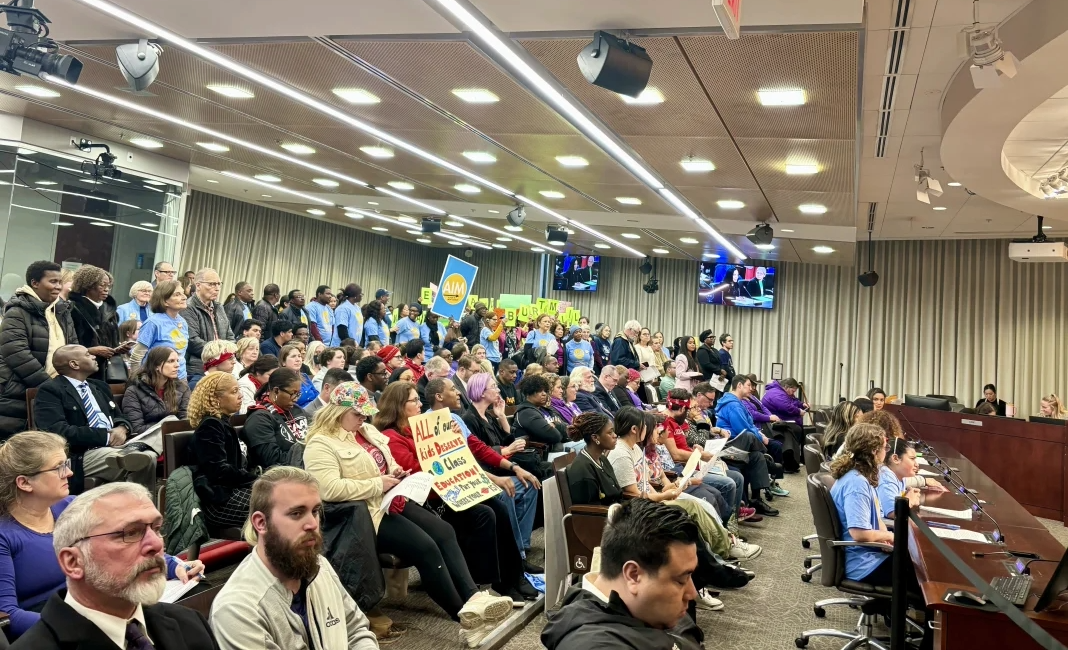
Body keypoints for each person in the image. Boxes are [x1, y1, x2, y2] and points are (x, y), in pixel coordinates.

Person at [302, 382, 514, 647]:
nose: (363, 418)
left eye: (365, 413)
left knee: (444, 532)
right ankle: (465, 619)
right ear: (336, 412)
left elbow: (387, 461)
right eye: (357, 414)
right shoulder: (320, 444)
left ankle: (474, 599)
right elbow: (329, 489)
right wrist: (379, 483)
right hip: (362, 514)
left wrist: (396, 472)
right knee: (424, 547)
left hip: (392, 500)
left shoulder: (367, 431)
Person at [0, 431, 203, 639]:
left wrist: (175, 565)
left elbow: (127, 542)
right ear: (24, 482)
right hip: (57, 631)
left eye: (67, 463)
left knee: (188, 615)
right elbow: (8, 619)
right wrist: (91, 624)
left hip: (101, 607)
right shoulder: (4, 536)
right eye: (58, 467)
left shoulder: (71, 506)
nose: (69, 473)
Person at [377, 382, 538, 603]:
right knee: (485, 514)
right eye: (413, 401)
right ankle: (486, 584)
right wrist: (446, 447)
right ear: (398, 405)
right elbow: (415, 472)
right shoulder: (392, 436)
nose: (418, 404)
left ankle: (513, 575)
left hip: (450, 490)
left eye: (417, 399)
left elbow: (471, 449)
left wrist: (452, 442)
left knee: (498, 507)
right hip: (428, 501)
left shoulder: (422, 425)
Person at [10, 482, 218, 650]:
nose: (156, 544)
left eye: (156, 528)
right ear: (73, 562)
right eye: (130, 533)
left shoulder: (190, 624)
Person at [210, 466, 378, 650]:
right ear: (261, 523)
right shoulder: (238, 611)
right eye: (296, 513)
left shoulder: (320, 567)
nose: (313, 524)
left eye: (315, 511)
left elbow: (357, 631)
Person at [541, 499, 704, 650]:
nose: (692, 593)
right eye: (681, 580)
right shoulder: (596, 645)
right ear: (633, 575)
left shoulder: (649, 607)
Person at [830, 424, 933, 650]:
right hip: (863, 563)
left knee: (920, 567)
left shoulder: (858, 476)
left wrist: (887, 537)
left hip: (868, 555)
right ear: (874, 451)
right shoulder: (857, 483)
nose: (886, 452)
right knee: (930, 584)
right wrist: (890, 537)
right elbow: (858, 533)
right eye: (884, 448)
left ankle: (888, 607)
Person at [424, 377, 542, 574]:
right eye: (453, 389)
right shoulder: (428, 425)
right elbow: (458, 463)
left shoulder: (457, 418)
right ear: (439, 396)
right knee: (504, 493)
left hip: (479, 473)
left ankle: (520, 550)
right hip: (457, 483)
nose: (458, 393)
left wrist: (514, 467)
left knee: (528, 483)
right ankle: (514, 559)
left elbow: (480, 448)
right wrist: (495, 478)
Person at [33, 345, 157, 494]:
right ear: (74, 364)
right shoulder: (50, 390)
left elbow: (121, 417)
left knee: (165, 427)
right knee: (143, 459)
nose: (93, 356)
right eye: (87, 355)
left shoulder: (100, 387)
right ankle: (140, 505)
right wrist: (106, 437)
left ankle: (138, 498)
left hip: (119, 444)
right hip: (83, 453)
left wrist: (122, 428)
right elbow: (57, 432)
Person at [0, 261, 78, 437]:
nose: (58, 287)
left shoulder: (62, 311)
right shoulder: (17, 312)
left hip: (54, 392)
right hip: (18, 393)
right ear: (35, 283)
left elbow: (73, 349)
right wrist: (51, 387)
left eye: (60, 282)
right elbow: (17, 354)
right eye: (52, 282)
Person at [188, 372, 258, 528]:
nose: (240, 396)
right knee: (274, 507)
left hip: (232, 491)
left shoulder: (222, 423)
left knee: (280, 499)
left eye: (239, 390)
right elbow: (219, 472)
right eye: (234, 392)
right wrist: (256, 481)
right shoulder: (210, 426)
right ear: (216, 398)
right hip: (218, 502)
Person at [245, 368, 310, 470]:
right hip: (282, 474)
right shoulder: (259, 418)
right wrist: (308, 458)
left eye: (298, 394)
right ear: (276, 390)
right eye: (292, 393)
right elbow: (272, 459)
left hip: (306, 465)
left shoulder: (297, 410)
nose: (296, 398)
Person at [181, 268, 235, 383]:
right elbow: (192, 340)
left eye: (218, 284)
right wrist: (221, 355)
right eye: (211, 284)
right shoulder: (188, 307)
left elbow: (230, 336)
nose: (217, 288)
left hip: (222, 367)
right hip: (198, 369)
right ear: (198, 285)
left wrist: (227, 355)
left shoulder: (219, 307)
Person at [122, 347, 190, 434]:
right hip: (147, 440)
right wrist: (167, 427)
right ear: (156, 366)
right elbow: (136, 428)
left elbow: (186, 420)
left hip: (175, 438)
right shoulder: (134, 391)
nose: (177, 365)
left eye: (177, 360)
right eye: (171, 361)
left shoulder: (182, 388)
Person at [130, 280, 190, 381]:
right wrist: (138, 381)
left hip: (180, 379)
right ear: (165, 301)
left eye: (183, 293)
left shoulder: (183, 322)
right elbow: (136, 357)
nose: (184, 297)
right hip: (156, 381)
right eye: (177, 294)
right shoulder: (153, 322)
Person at [563, 412, 622, 506]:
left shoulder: (602, 459)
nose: (615, 435)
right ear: (595, 438)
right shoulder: (582, 469)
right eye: (610, 432)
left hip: (617, 511)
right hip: (604, 518)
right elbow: (589, 512)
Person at [513, 374, 567, 448]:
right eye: (539, 391)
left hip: (558, 447)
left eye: (545, 390)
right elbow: (555, 436)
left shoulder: (546, 409)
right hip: (540, 454)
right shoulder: (527, 413)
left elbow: (567, 429)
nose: (544, 394)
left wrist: (554, 424)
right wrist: (556, 426)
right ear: (529, 392)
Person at [280, 344, 320, 409]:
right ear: (283, 362)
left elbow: (317, 395)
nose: (298, 359)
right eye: (293, 356)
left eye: (299, 356)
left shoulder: (305, 376)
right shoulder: (281, 381)